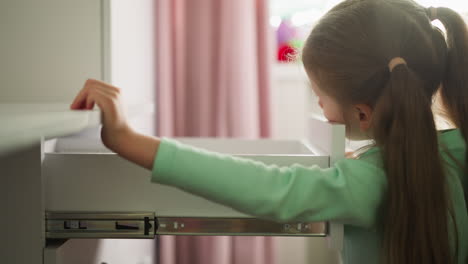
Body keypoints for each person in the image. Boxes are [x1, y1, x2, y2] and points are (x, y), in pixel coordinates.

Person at [70, 0, 468, 263]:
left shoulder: (366, 183)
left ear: (362, 114)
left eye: (320, 96)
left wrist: (127, 138)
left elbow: (263, 187)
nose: (319, 106)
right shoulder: (458, 151)